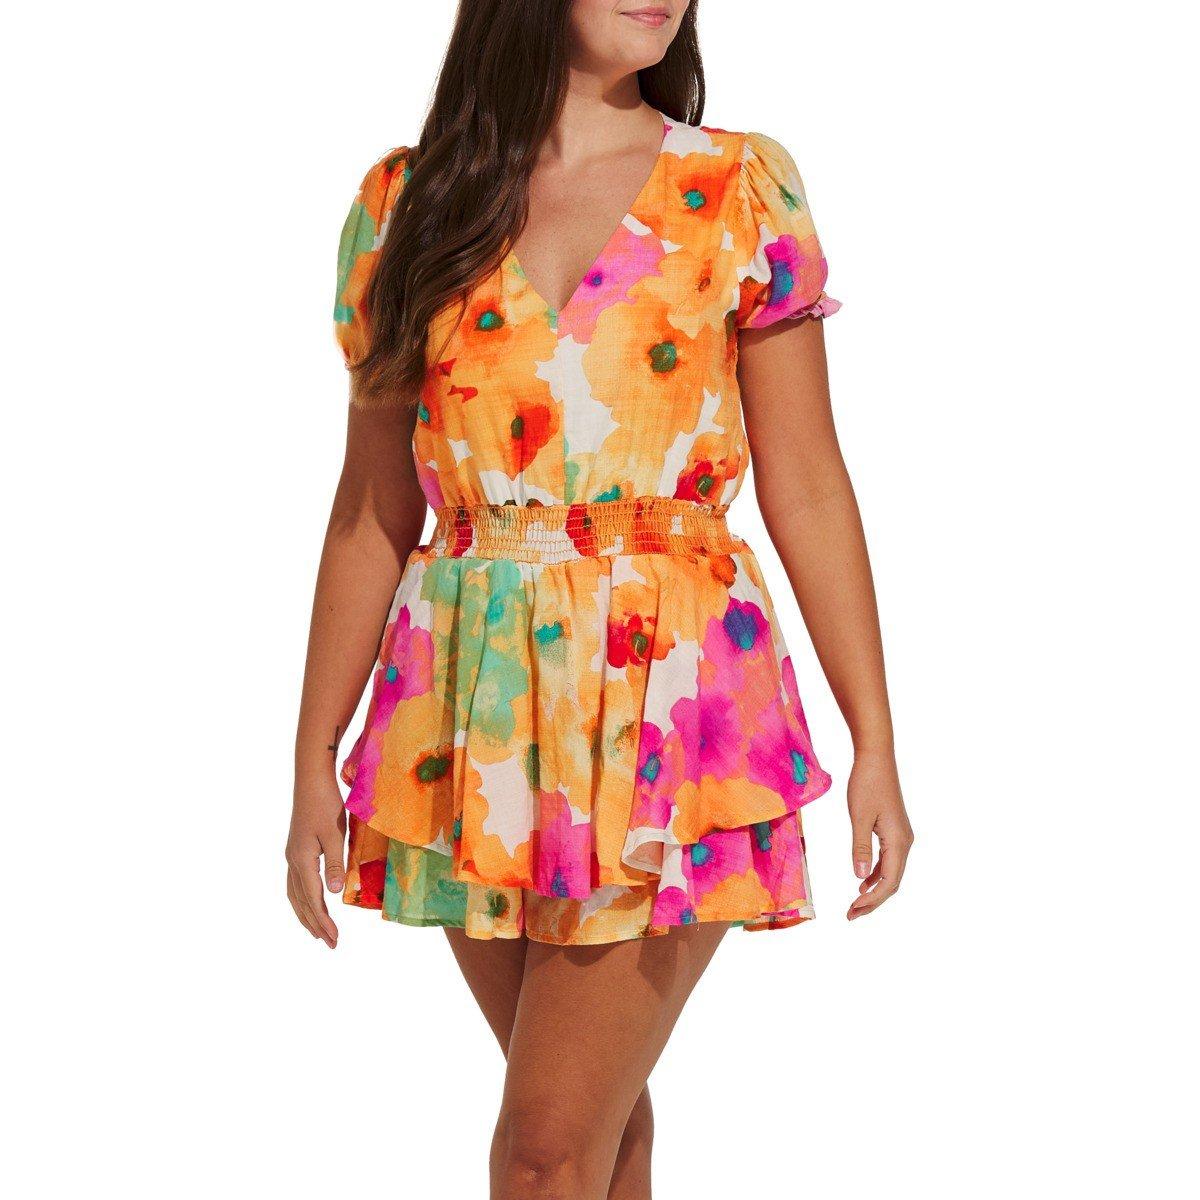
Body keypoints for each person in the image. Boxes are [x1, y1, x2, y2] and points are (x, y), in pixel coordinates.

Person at [287, 2, 913, 1196]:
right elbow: (372, 509)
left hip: (672, 711)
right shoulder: (407, 204)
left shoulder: (736, 187)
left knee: (543, 1150)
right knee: (597, 1138)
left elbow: (809, 482)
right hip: (465, 719)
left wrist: (872, 738)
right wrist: (315, 749)